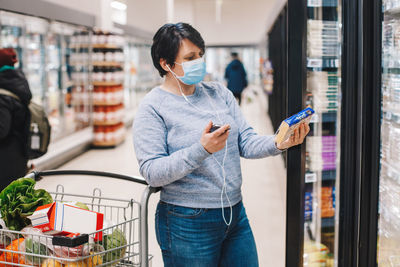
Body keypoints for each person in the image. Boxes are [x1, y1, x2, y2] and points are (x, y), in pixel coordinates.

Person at [132, 22, 310, 267]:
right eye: (190, 57)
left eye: (200, 55)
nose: (199, 62)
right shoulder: (152, 107)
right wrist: (201, 149)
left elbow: (245, 142)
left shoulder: (219, 93)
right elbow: (152, 172)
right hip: (186, 222)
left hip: (235, 213)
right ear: (165, 63)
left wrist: (280, 141)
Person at [0, 48, 32, 191]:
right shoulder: (18, 83)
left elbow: (2, 130)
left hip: (5, 160)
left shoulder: (2, 94)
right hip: (19, 154)